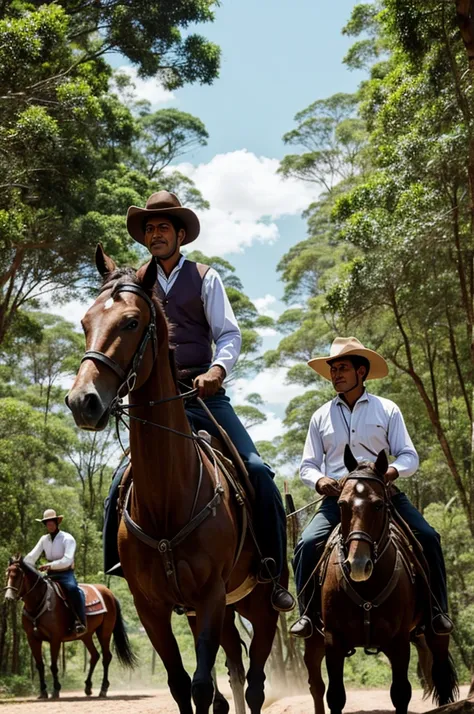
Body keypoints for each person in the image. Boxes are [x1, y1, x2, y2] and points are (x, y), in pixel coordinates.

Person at [104, 190, 294, 613]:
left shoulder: (205, 276)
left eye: (163, 228)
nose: (155, 234)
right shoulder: (134, 282)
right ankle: (119, 563)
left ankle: (272, 570)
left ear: (181, 234)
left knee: (259, 472)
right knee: (118, 483)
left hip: (203, 396)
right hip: (152, 406)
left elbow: (229, 334)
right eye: (150, 229)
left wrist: (217, 371)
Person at [289, 336, 453, 639]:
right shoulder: (320, 416)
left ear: (361, 371)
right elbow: (308, 465)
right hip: (339, 500)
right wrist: (320, 480)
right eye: (333, 369)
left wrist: (389, 472)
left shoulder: (387, 409)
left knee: (429, 537)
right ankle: (308, 616)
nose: (335, 374)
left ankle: (436, 613)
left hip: (383, 496)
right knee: (305, 545)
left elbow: (409, 456)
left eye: (342, 368)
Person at [24, 509, 86, 634]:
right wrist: (23, 565)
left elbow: (67, 560)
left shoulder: (67, 538)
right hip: (50, 575)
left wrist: (49, 565)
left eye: (51, 522)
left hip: (65, 574)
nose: (49, 525)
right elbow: (32, 556)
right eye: (47, 523)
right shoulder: (44, 539)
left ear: (57, 522)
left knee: (73, 589)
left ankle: (79, 620)